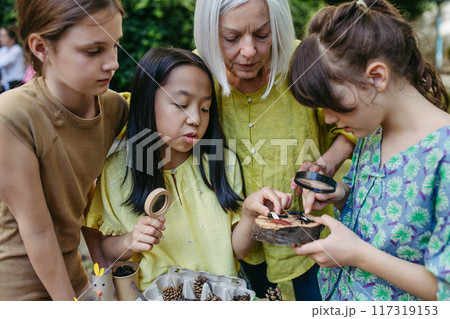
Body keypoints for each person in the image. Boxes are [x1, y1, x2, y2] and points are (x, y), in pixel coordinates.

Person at [83, 47, 293, 292]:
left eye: (205, 108)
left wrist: (248, 213)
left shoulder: (222, 162)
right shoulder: (118, 171)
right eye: (181, 104)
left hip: (220, 298)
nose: (195, 118)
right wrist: (130, 241)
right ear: (147, 102)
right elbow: (103, 249)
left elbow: (236, 250)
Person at [288, 0, 450, 301]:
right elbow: (392, 221)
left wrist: (357, 255)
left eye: (333, 103)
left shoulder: (444, 154)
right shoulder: (372, 131)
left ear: (376, 77)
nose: (328, 119)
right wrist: (340, 196)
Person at [194, 0, 355, 300]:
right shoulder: (193, 72)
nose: (249, 51)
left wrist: (326, 164)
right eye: (231, 38)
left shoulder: (304, 61)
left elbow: (351, 125)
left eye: (262, 34)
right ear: (207, 34)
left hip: (309, 243)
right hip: (235, 246)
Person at [0, 0, 128, 300]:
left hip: (77, 275)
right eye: (93, 51)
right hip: (18, 289)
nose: (113, 63)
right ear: (41, 48)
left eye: (115, 46)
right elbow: (38, 229)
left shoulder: (114, 107)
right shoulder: (13, 116)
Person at [0, 25, 25, 92]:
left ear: (12, 39)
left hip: (16, 83)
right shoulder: (3, 50)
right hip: (6, 84)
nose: (1, 39)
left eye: (4, 36)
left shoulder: (16, 50)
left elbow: (3, 62)